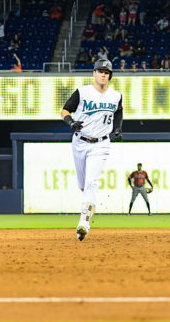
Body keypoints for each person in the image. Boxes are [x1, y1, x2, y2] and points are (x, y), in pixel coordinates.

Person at [61, 59, 123, 241]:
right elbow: (65, 110)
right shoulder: (83, 92)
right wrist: (70, 122)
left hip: (101, 144)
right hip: (79, 142)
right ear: (94, 73)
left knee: (91, 183)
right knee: (83, 184)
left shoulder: (116, 95)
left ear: (110, 76)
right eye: (100, 71)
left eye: (107, 72)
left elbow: (119, 112)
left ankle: (84, 223)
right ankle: (88, 208)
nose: (103, 74)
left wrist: (118, 129)